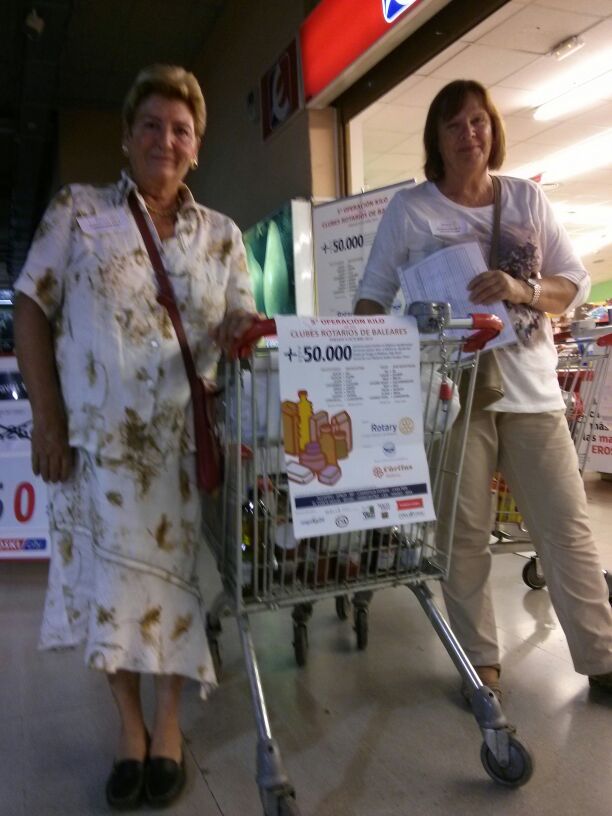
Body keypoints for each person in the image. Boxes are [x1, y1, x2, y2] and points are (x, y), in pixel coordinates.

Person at [14, 64, 257, 809]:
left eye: (181, 129)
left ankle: (170, 724)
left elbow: (240, 320)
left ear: (197, 147)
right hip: (93, 452)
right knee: (107, 592)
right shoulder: (78, 212)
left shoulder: (222, 236)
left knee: (176, 591)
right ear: (126, 137)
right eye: (150, 124)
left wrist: (239, 328)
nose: (165, 139)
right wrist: (47, 419)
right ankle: (130, 727)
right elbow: (31, 308)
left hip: (180, 453)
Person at [355, 79, 612, 701]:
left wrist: (522, 289)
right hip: (455, 396)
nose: (469, 134)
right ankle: (480, 665)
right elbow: (372, 296)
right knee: (463, 534)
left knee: (566, 528)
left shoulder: (525, 198)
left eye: (478, 121)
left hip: (533, 393)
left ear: (493, 130)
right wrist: (374, 357)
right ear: (436, 140)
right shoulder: (411, 210)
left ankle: (602, 657)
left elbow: (573, 282)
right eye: (454, 125)